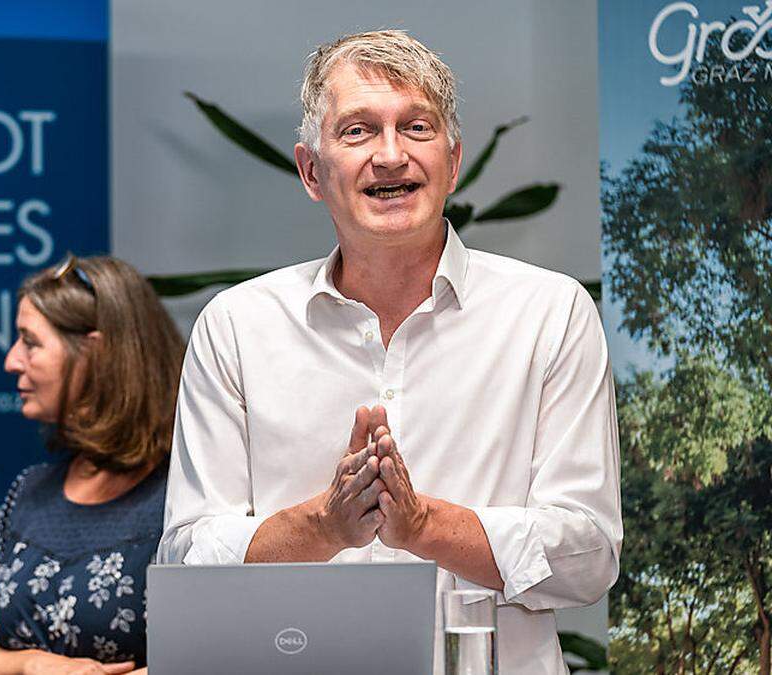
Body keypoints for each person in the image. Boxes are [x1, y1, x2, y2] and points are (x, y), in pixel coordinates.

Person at [157, 30, 622, 674]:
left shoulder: (550, 313)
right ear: (311, 171)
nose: (391, 155)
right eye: (357, 131)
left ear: (453, 161)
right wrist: (324, 524)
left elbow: (589, 555)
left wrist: (423, 523)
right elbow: (187, 559)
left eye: (417, 127)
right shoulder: (235, 327)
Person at [0, 255, 184, 675]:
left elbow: (221, 651)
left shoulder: (184, 497)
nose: (10, 360)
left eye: (30, 342)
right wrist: (33, 666)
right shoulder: (29, 490)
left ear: (94, 353)